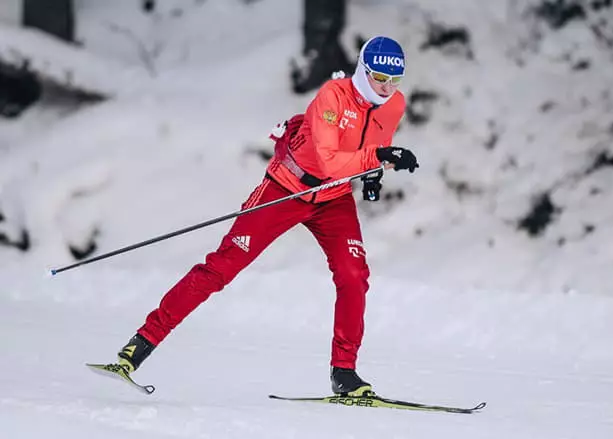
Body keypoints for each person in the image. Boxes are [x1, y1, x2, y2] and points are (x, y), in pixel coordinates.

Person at [116, 36, 419, 396]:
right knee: (221, 268)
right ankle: (139, 346)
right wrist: (379, 156)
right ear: (362, 71)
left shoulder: (394, 105)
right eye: (379, 78)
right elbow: (328, 161)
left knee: (354, 275)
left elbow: (368, 147)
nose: (386, 88)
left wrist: (373, 173)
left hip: (334, 199)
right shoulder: (332, 96)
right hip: (287, 188)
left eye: (393, 81)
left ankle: (344, 373)